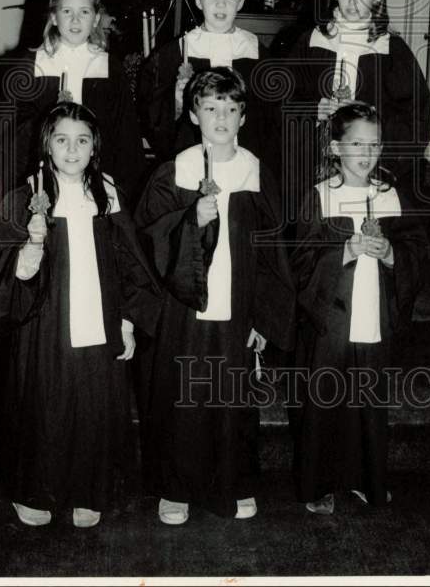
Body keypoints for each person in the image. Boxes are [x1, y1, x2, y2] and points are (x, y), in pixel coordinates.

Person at [135, 68, 296, 524]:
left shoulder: (255, 172)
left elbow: (273, 251)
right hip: (183, 308)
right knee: (181, 396)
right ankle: (176, 489)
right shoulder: (175, 170)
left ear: (243, 116)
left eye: (230, 108)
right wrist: (190, 219)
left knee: (231, 398)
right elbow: (147, 240)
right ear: (193, 113)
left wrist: (264, 317)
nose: (221, 117)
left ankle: (234, 483)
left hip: (237, 305)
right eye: (210, 108)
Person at [0, 101, 162, 528]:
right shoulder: (24, 197)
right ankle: (37, 491)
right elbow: (4, 276)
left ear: (94, 147)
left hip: (98, 318)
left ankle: (90, 489)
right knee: (44, 402)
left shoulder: (107, 195)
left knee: (93, 405)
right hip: (44, 322)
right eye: (62, 140)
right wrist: (30, 247)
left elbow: (129, 266)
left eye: (82, 140)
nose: (72, 150)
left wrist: (126, 324)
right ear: (47, 144)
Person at [289, 101, 428, 514]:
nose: (366, 154)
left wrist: (390, 254)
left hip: (375, 315)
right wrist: (345, 250)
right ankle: (318, 485)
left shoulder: (390, 196)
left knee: (369, 401)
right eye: (356, 144)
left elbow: (417, 252)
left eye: (375, 145)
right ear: (335, 148)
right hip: (330, 318)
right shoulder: (319, 197)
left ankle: (366, 478)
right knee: (325, 400)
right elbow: (298, 262)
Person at [0, 0, 147, 210]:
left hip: (97, 178)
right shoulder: (30, 65)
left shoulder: (108, 68)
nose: (75, 21)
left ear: (96, 19)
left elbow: (125, 137)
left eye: (84, 12)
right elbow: (5, 134)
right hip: (40, 177)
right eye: (67, 12)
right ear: (54, 17)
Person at [278, 0, 430, 224]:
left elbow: (415, 113)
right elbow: (283, 95)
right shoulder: (312, 41)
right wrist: (313, 109)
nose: (353, 1)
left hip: (370, 160)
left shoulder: (391, 50)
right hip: (315, 156)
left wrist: (373, 122)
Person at [137, 0, 280, 174]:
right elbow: (153, 114)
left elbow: (271, 118)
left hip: (245, 160)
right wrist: (175, 100)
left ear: (240, 1)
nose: (220, 5)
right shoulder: (178, 51)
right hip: (191, 158)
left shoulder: (255, 51)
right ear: (197, 0)